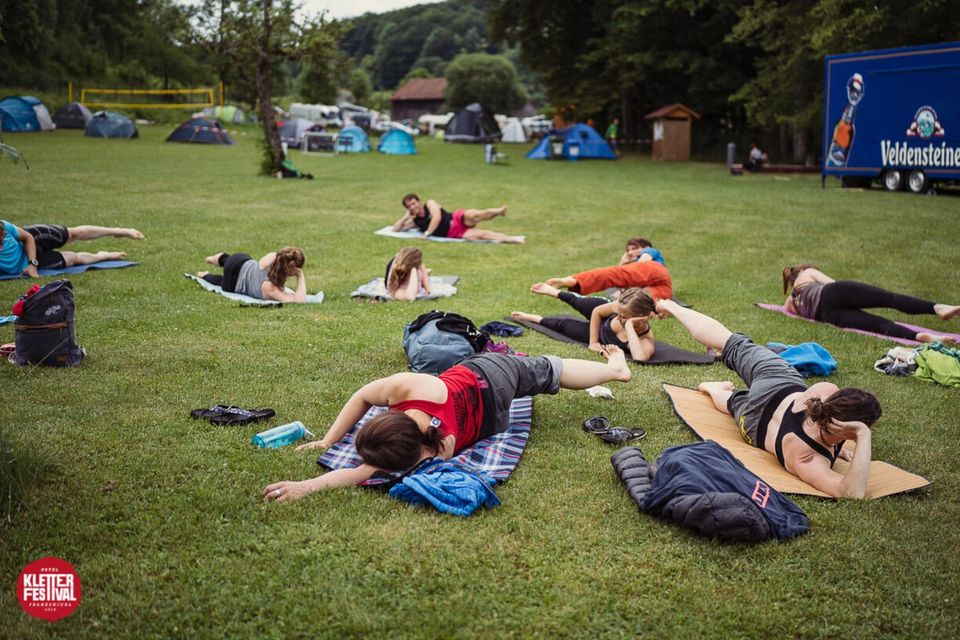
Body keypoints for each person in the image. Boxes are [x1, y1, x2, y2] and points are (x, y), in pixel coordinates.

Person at [262, 348, 633, 502]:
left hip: (492, 414)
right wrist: (329, 439)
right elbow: (363, 396)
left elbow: (357, 473)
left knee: (542, 374)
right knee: (549, 369)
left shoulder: (428, 451)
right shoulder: (410, 388)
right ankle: (615, 370)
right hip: (488, 374)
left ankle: (614, 370)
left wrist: (312, 473)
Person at [655, 298, 882, 499]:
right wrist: (861, 434)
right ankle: (714, 389)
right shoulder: (808, 457)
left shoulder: (824, 392)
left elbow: (823, 412)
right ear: (850, 427)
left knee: (731, 342)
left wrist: (837, 440)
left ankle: (671, 306)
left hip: (780, 384)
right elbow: (851, 493)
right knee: (735, 404)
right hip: (756, 422)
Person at [783, 264, 960, 343]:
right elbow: (832, 283)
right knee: (889, 299)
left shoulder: (792, 300)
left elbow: (786, 308)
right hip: (831, 293)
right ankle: (938, 308)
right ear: (802, 269)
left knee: (879, 325)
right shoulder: (808, 272)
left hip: (828, 315)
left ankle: (920, 336)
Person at [511, 284, 657, 361]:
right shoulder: (619, 306)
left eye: (624, 317)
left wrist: (630, 326)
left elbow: (640, 358)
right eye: (618, 314)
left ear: (641, 317)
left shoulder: (644, 339)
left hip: (601, 332)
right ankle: (554, 292)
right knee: (580, 302)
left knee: (564, 326)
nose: (618, 318)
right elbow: (597, 312)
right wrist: (593, 342)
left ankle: (534, 317)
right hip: (599, 313)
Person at [0, 220, 144, 277]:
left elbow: (28, 237)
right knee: (74, 260)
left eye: (4, 233)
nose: (5, 235)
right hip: (27, 264)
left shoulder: (4, 226)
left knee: (74, 233)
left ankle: (118, 231)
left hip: (34, 240)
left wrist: (32, 265)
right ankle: (104, 256)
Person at [391, 194, 524, 243]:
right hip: (453, 232)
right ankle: (513, 239)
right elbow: (396, 230)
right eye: (409, 206)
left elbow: (437, 217)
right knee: (482, 234)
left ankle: (499, 211)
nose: (413, 207)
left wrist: (427, 234)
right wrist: (405, 217)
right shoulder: (416, 222)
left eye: (414, 203)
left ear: (419, 202)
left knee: (477, 214)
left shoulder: (429, 204)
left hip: (456, 218)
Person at [197, 247, 307, 303]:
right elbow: (299, 301)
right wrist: (300, 275)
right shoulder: (271, 289)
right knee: (220, 281)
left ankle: (213, 259)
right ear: (289, 271)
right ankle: (204, 275)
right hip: (233, 282)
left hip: (240, 260)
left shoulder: (273, 256)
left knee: (226, 259)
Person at [543, 259, 672, 301]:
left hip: (655, 277)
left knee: (614, 275)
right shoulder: (648, 258)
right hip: (655, 276)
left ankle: (574, 280)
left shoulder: (648, 254)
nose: (630, 251)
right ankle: (574, 281)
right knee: (639, 300)